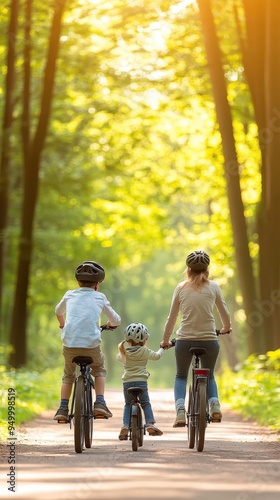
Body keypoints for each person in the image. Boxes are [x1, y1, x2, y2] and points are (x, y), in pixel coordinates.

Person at [160, 250, 231, 427]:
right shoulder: (213, 286)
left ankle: (180, 411)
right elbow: (224, 312)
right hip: (209, 340)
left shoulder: (181, 287)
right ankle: (214, 405)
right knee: (210, 376)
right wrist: (226, 328)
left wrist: (166, 340)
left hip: (184, 341)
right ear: (207, 271)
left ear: (188, 271)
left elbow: (172, 317)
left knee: (181, 376)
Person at [53, 260, 121, 422]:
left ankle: (63, 408)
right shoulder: (100, 297)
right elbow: (116, 320)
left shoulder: (70, 294)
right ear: (98, 284)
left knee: (68, 375)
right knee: (99, 369)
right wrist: (110, 325)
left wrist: (62, 324)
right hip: (91, 345)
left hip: (70, 343)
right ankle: (100, 402)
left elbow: (58, 311)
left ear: (78, 282)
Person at [116, 322, 165, 440]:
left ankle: (125, 426)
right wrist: (162, 348)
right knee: (145, 403)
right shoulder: (144, 350)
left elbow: (118, 358)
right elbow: (157, 356)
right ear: (144, 340)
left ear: (128, 340)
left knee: (128, 404)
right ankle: (149, 423)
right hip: (141, 383)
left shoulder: (124, 352)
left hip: (127, 383)